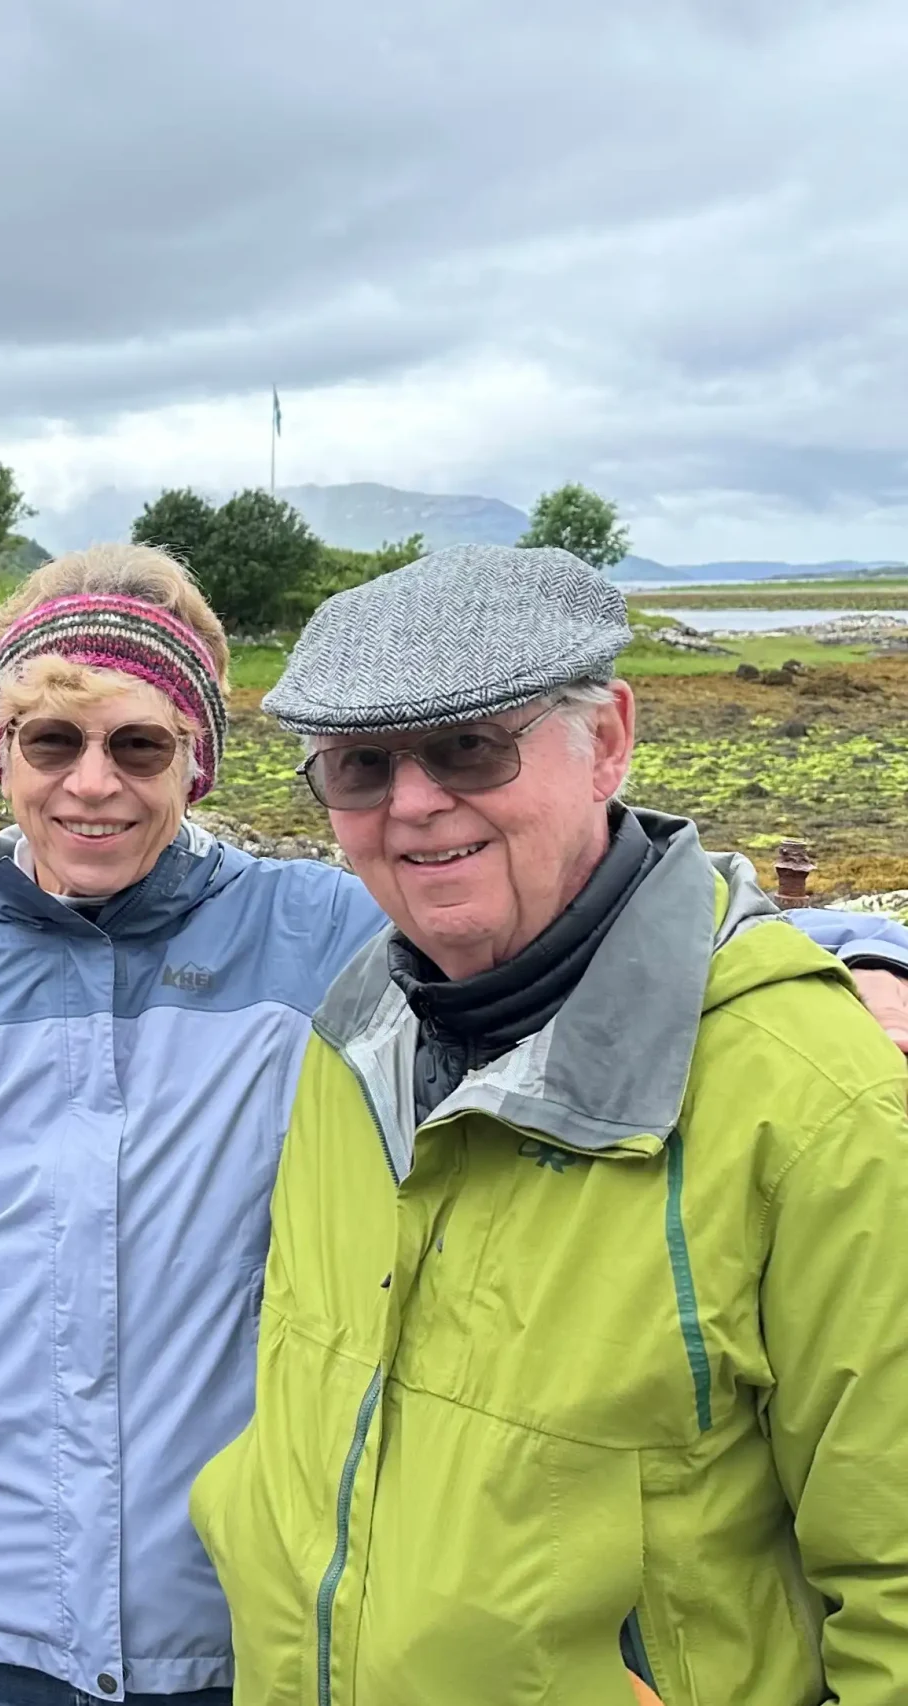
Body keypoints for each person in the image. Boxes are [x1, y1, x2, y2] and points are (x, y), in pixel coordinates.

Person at [0, 544, 908, 1706]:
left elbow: (617, 905)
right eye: (50, 742)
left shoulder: (323, 935)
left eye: (139, 743)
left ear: (199, 763)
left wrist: (865, 950)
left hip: (215, 1622)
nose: (91, 784)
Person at [191, 545, 908, 1705]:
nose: (415, 802)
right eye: (361, 765)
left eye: (472, 745)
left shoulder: (814, 1098)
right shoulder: (351, 1036)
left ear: (609, 739)